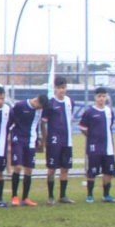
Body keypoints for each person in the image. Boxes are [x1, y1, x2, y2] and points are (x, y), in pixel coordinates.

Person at [9, 93, 48, 206]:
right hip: (18, 139)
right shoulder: (20, 105)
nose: (40, 109)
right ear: (36, 101)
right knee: (17, 166)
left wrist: (38, 140)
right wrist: (9, 134)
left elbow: (36, 125)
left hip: (30, 140)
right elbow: (11, 120)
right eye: (40, 106)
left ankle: (25, 198)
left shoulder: (39, 111)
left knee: (29, 169)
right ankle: (14, 196)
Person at [79, 87, 115, 203]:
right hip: (94, 146)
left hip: (108, 147)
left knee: (108, 171)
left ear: (106, 98)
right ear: (95, 97)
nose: (101, 98)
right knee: (92, 171)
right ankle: (90, 195)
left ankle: (106, 195)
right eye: (99, 96)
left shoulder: (109, 111)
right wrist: (92, 137)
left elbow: (110, 126)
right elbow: (83, 128)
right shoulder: (89, 112)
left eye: (104, 96)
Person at [41, 76, 74, 206]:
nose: (62, 90)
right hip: (54, 141)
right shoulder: (50, 103)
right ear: (55, 88)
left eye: (64, 88)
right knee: (51, 168)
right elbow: (43, 123)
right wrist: (45, 139)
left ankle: (63, 196)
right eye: (60, 88)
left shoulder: (70, 101)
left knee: (65, 168)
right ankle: (50, 196)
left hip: (67, 140)